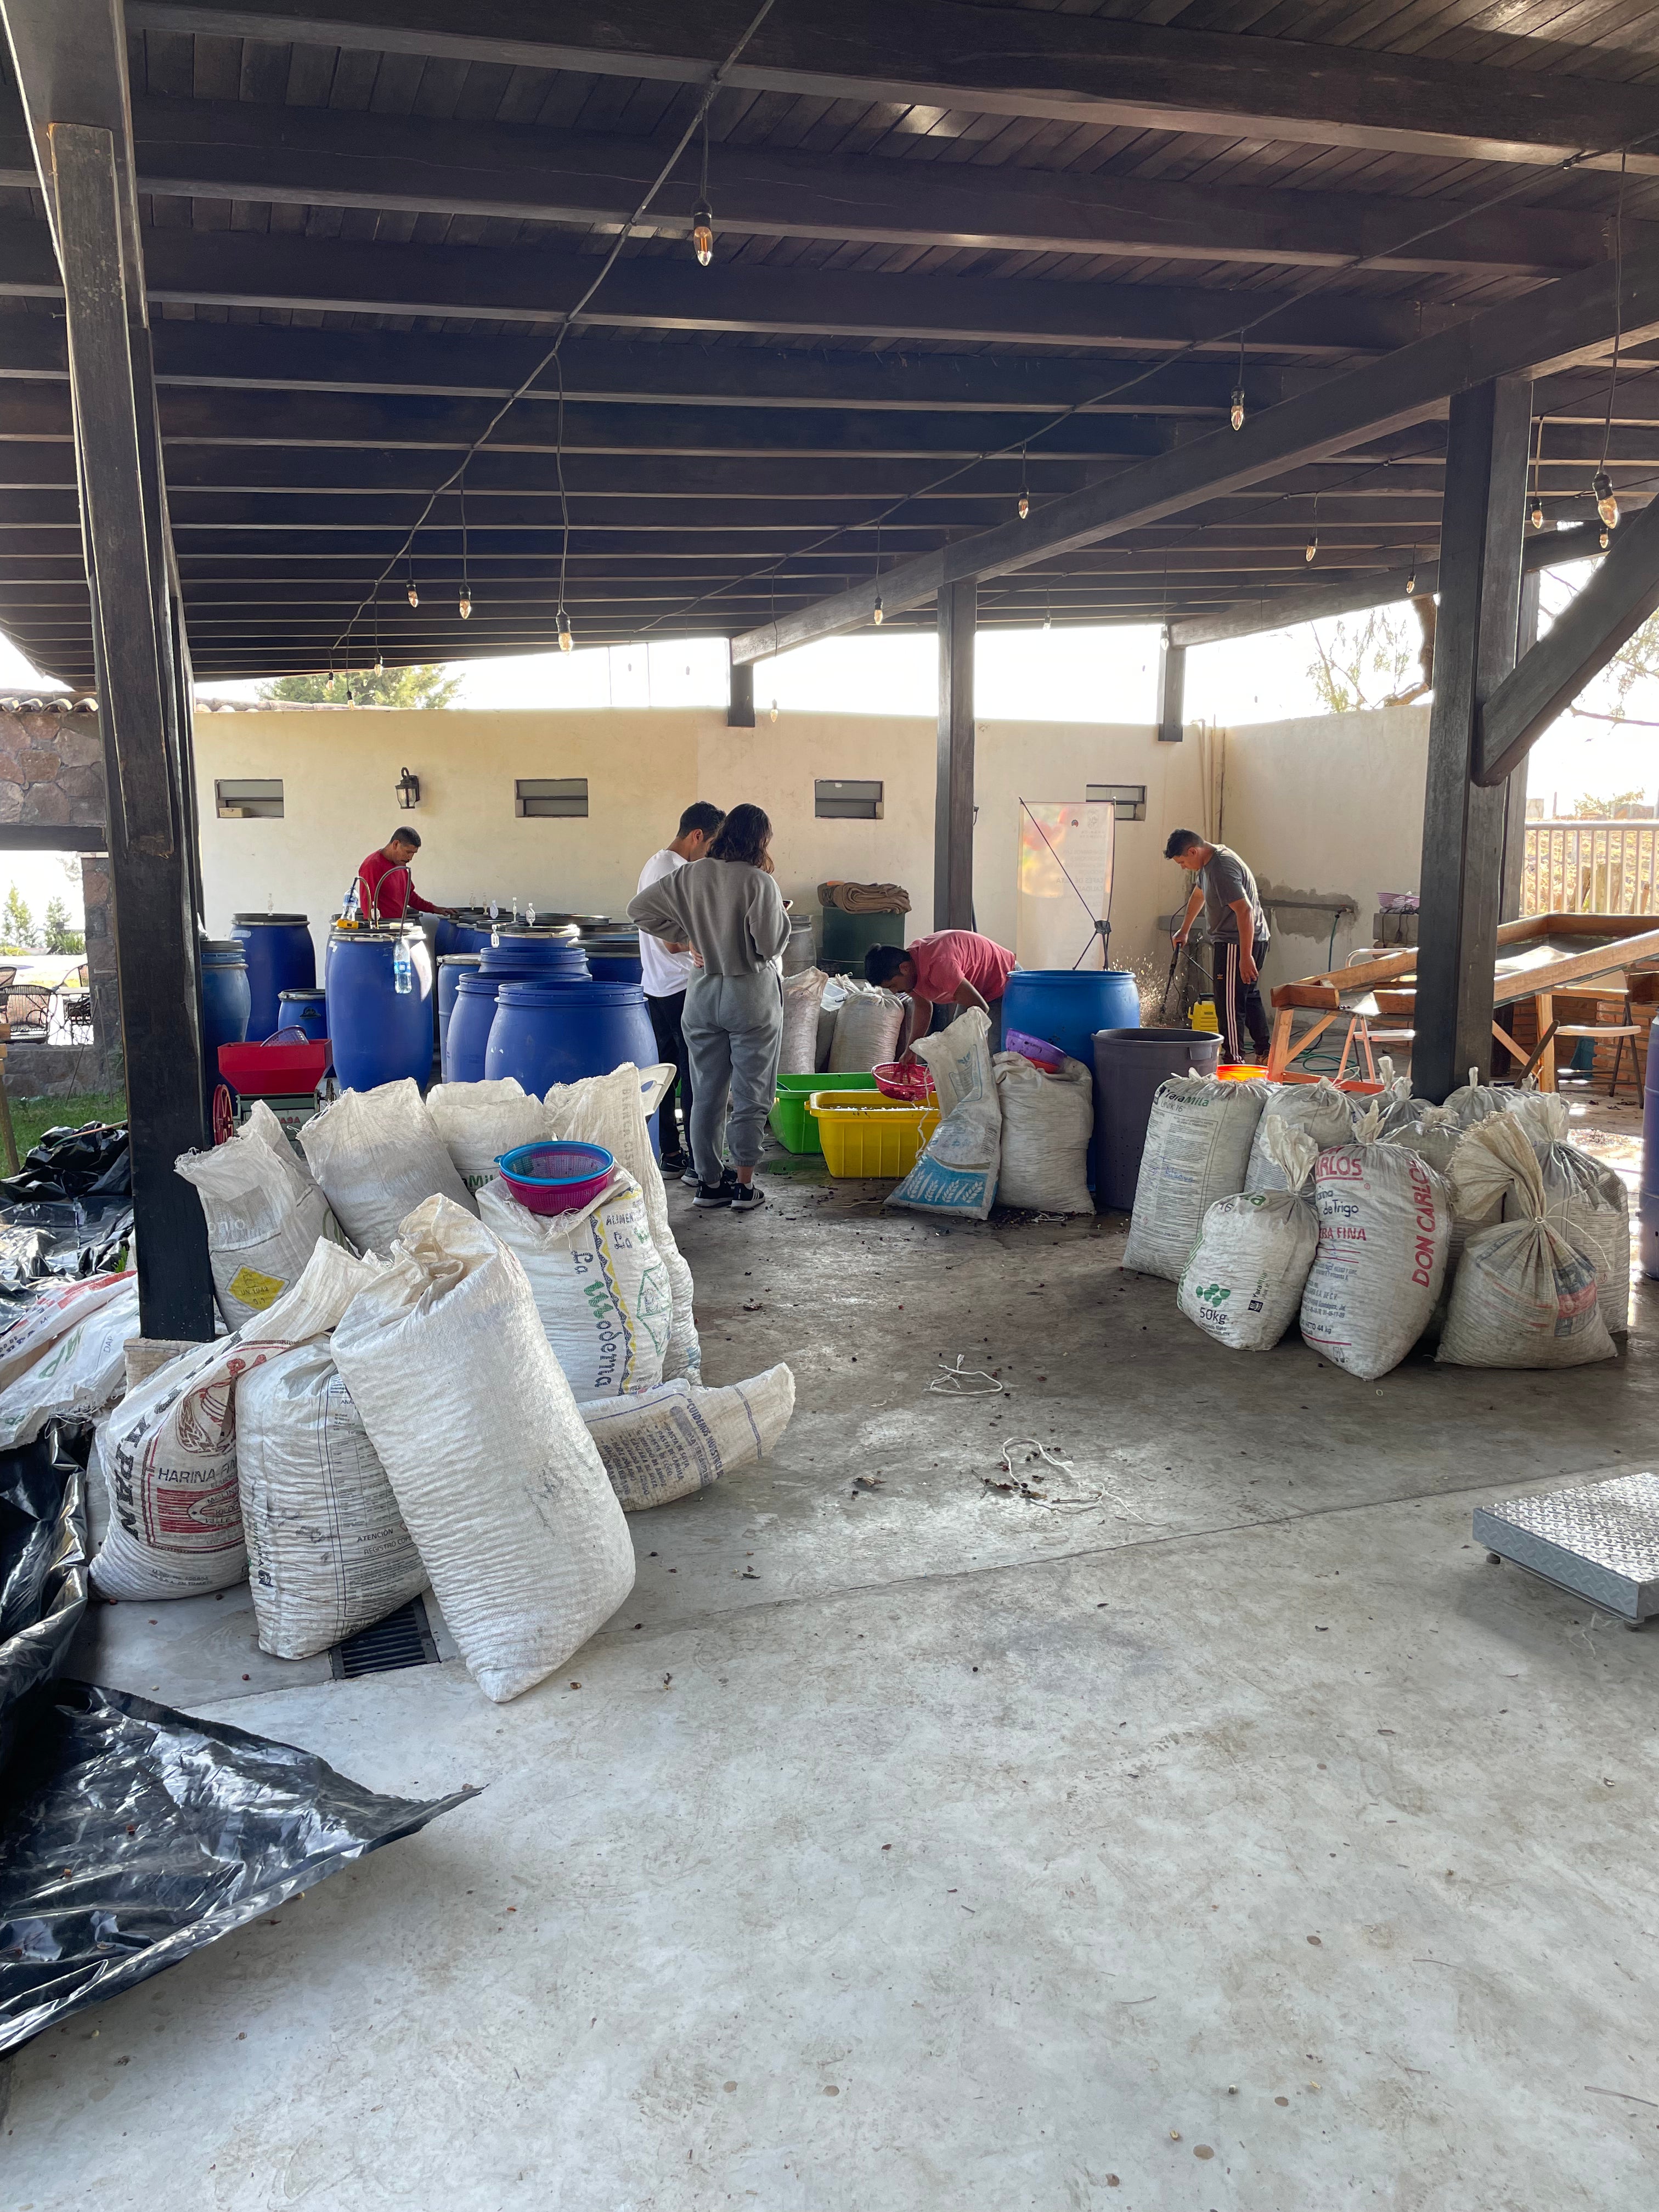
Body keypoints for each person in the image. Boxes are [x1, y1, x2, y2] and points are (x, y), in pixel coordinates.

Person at [628, 802, 790, 1214]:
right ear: (760, 840)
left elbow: (639, 910)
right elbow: (770, 945)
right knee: (752, 1093)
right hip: (749, 996)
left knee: (704, 1093)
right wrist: (780, 917)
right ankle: (744, 1187)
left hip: (700, 998)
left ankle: (709, 1184)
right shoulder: (760, 882)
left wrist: (687, 939)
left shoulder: (691, 874)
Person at [635, 802, 726, 1175]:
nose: (712, 855)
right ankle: (699, 1166)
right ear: (698, 836)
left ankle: (671, 1155)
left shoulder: (655, 863)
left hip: (657, 986)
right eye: (712, 845)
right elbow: (672, 941)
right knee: (696, 1077)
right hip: (679, 987)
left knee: (665, 1076)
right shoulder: (676, 871)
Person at [1164, 828, 1271, 1061]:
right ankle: (1265, 1052)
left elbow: (1244, 911)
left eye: (1183, 862)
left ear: (1193, 851)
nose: (1183, 867)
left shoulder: (1221, 868)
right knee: (1249, 996)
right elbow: (1198, 896)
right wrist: (1184, 930)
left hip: (1237, 943)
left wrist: (1245, 956)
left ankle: (1233, 1059)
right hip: (1247, 940)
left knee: (1229, 1006)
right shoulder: (1208, 863)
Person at [865, 929, 1017, 1053]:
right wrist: (911, 1050)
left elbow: (980, 1009)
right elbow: (923, 1007)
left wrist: (952, 1042)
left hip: (1005, 979)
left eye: (893, 986)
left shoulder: (939, 965)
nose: (895, 992)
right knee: (961, 1052)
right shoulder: (909, 970)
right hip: (976, 989)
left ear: (904, 968)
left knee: (993, 1056)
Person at [356, 827, 453, 922]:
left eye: (413, 853)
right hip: (385, 933)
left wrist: (435, 909)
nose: (410, 858)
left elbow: (409, 896)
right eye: (408, 852)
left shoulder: (400, 865)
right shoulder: (372, 865)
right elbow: (368, 906)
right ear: (396, 844)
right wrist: (382, 931)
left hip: (400, 928)